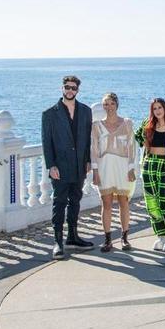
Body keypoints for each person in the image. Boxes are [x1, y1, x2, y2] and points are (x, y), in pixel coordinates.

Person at [41, 75, 94, 259]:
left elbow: (87, 139)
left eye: (73, 88)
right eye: (67, 87)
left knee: (75, 201)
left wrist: (88, 160)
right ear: (62, 88)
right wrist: (51, 165)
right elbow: (46, 143)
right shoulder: (49, 114)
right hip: (60, 167)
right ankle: (57, 242)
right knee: (59, 203)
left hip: (79, 165)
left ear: (78, 90)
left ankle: (73, 237)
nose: (70, 90)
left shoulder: (86, 111)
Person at [91, 93, 137, 252]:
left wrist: (131, 168)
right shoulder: (96, 126)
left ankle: (125, 238)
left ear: (117, 104)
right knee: (107, 204)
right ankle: (108, 239)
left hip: (123, 168)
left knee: (124, 202)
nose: (108, 107)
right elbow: (94, 150)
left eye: (111, 103)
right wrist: (95, 171)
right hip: (104, 168)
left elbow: (132, 148)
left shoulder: (127, 123)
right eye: (105, 104)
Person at [136, 98, 165, 253]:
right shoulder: (147, 126)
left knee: (164, 204)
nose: (158, 110)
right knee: (151, 204)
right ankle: (161, 236)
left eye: (160, 107)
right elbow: (137, 139)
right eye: (154, 108)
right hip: (149, 165)